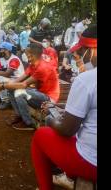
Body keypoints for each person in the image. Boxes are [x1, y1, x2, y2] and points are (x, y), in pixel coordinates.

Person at [31, 24, 97, 190]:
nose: (78, 57)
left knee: (40, 136)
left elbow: (67, 130)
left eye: (80, 52)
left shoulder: (87, 79)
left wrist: (53, 120)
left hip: (91, 161)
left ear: (93, 50)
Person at [0, 42, 59, 130]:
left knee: (19, 92)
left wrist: (3, 86)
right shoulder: (34, 64)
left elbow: (23, 84)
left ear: (31, 55)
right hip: (40, 93)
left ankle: (28, 123)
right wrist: (3, 85)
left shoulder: (42, 67)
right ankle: (19, 116)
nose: (26, 56)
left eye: (27, 54)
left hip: (49, 98)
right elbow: (19, 79)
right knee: (12, 89)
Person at [0, 42, 25, 110]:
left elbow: (7, 73)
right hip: (10, 78)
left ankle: (6, 101)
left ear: (7, 50)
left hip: (18, 80)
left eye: (1, 49)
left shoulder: (14, 59)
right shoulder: (2, 59)